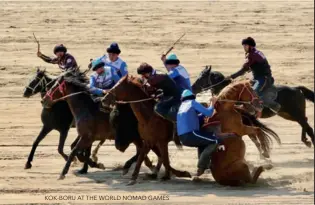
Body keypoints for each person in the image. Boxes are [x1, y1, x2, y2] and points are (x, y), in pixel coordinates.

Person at [177, 89, 233, 176]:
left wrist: (203, 114)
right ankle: (201, 166)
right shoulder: (192, 103)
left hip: (183, 137)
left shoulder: (182, 106)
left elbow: (196, 117)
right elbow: (209, 113)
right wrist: (213, 103)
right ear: (192, 97)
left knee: (204, 142)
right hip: (191, 134)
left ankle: (204, 167)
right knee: (215, 141)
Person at [226, 37, 280, 113]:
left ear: (250, 46)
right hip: (258, 78)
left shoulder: (252, 55)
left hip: (263, 79)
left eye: (245, 46)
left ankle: (256, 110)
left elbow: (243, 70)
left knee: (251, 93)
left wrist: (231, 76)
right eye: (243, 46)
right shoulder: (257, 52)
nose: (244, 48)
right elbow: (258, 65)